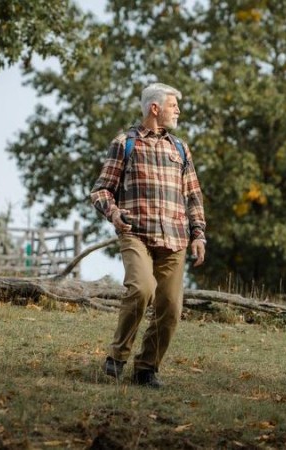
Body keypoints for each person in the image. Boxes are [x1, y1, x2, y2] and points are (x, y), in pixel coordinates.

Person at [90, 82, 207, 388]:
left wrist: (199, 234)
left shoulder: (179, 148)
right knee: (141, 289)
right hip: (136, 234)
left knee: (170, 306)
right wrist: (114, 215)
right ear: (155, 108)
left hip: (175, 239)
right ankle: (117, 357)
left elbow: (193, 194)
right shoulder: (125, 143)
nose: (178, 111)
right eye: (173, 105)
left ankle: (146, 369)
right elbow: (101, 190)